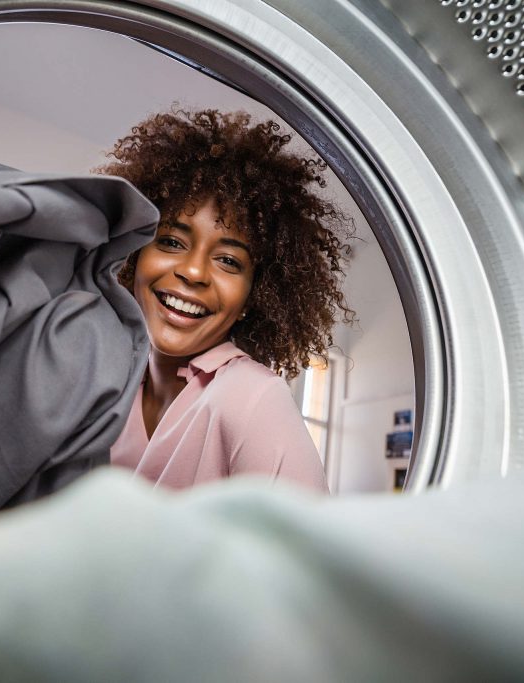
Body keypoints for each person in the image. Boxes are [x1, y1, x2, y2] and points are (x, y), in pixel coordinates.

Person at [97, 109, 354, 492]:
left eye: (228, 261)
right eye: (171, 241)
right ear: (134, 256)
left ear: (254, 295)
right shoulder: (106, 385)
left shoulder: (253, 399)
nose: (194, 272)